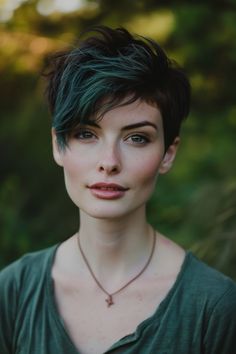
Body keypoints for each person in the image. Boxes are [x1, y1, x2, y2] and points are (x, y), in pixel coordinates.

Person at [0, 25, 235, 354]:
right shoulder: (12, 291)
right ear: (58, 145)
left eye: (136, 137)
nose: (109, 162)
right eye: (86, 134)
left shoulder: (216, 307)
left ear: (168, 153)